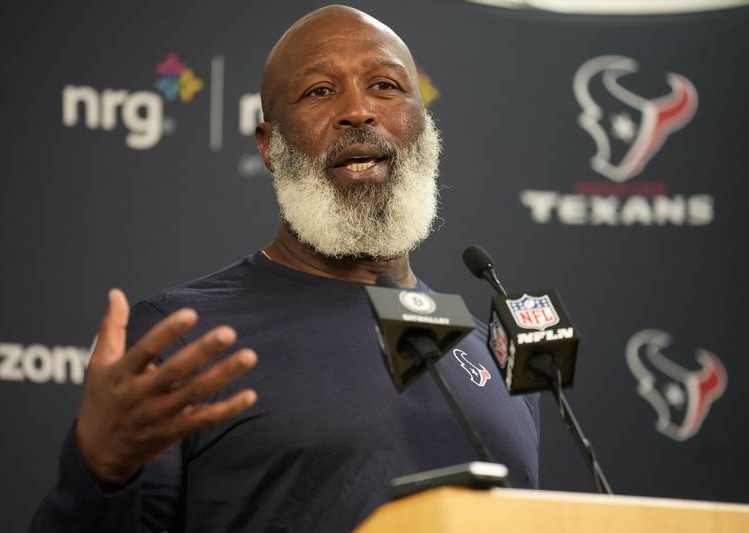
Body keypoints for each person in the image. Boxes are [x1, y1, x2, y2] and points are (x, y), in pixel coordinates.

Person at [30, 5, 539, 532]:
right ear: (270, 145)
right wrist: (98, 474)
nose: (359, 111)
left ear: (423, 125)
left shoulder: (487, 352)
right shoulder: (184, 338)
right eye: (320, 91)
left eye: (386, 85)